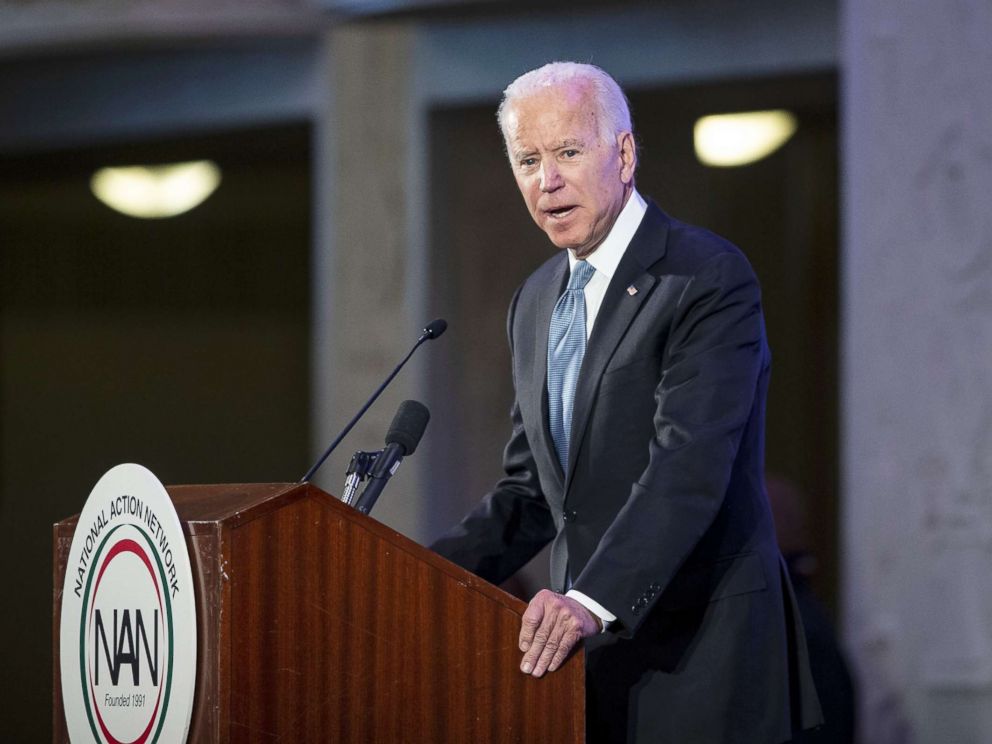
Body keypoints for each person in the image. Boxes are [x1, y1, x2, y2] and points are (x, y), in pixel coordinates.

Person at [431, 61, 822, 743]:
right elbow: (532, 492)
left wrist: (590, 600)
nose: (545, 180)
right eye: (527, 159)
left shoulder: (703, 277)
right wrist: (420, 580)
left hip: (705, 658)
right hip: (589, 671)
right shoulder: (535, 301)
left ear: (624, 154)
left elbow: (688, 463)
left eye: (567, 153)